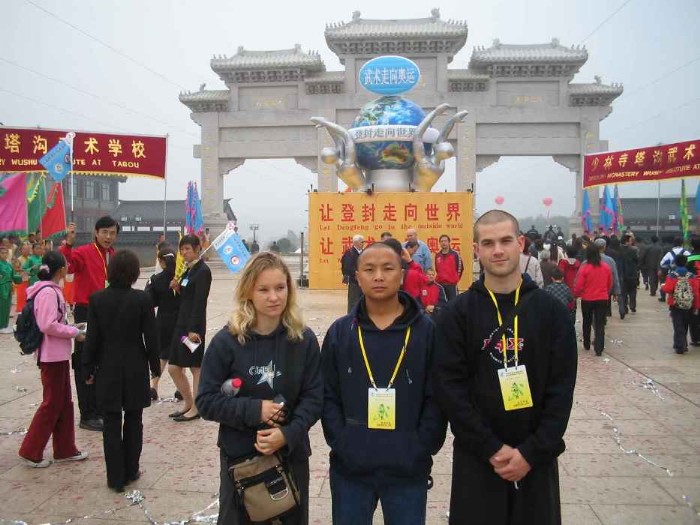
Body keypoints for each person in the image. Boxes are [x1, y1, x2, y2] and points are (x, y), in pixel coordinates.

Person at [433, 209, 577, 525]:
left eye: (505, 241)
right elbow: (450, 389)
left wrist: (531, 452)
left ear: (520, 243)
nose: (498, 250)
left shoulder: (551, 312)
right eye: (488, 243)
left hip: (535, 460)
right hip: (478, 459)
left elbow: (561, 389)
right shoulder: (457, 314)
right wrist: (491, 447)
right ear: (476, 250)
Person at [322, 241, 446, 525]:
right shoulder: (341, 332)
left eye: (387, 268)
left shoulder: (425, 331)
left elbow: (437, 396)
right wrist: (342, 442)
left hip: (407, 468)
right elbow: (327, 394)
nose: (378, 276)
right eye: (369, 269)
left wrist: (421, 445)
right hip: (351, 468)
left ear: (401, 275)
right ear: (357, 277)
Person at [197, 252, 323, 525]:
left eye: (280, 288)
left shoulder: (303, 340)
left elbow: (314, 397)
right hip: (240, 459)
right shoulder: (226, 341)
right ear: (248, 292)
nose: (274, 297)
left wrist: (288, 434)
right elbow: (205, 401)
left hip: (290, 456)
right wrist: (254, 410)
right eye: (263, 289)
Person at [82, 250, 159, 492]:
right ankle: (131, 468)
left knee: (111, 422)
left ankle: (115, 477)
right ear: (135, 273)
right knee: (135, 419)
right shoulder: (142, 299)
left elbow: (92, 338)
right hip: (135, 365)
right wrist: (155, 367)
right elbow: (151, 337)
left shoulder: (97, 299)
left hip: (107, 366)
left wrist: (87, 367)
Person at [18, 251, 89, 468]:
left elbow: (53, 322)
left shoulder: (48, 290)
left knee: (64, 403)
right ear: (61, 270)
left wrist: (72, 327)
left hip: (57, 354)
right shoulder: (49, 292)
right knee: (52, 403)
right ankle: (30, 450)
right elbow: (47, 324)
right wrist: (74, 333)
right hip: (51, 356)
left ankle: (65, 449)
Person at [60, 216, 121, 432]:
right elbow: (67, 266)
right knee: (85, 361)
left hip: (107, 313)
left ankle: (100, 408)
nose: (108, 237)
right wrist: (68, 243)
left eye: (112, 233)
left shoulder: (113, 255)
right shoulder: (83, 252)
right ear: (96, 232)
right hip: (86, 311)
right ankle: (87, 413)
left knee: (103, 362)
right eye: (104, 232)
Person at [168, 234, 212, 422]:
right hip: (181, 326)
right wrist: (178, 288)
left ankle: (196, 408)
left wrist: (194, 329)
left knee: (195, 367)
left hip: (193, 328)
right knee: (173, 367)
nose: (184, 252)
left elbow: (199, 302)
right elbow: (186, 297)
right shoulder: (188, 270)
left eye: (187, 249)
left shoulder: (203, 271)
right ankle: (188, 402)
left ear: (197, 249)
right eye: (182, 249)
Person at [145, 248, 180, 400]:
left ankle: (154, 386)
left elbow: (149, 301)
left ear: (160, 261)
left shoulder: (155, 279)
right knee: (179, 353)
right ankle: (180, 388)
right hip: (180, 320)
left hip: (162, 321)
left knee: (161, 354)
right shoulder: (182, 277)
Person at [574, 244, 613, 356]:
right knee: (600, 323)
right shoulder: (606, 267)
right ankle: (599, 347)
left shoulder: (584, 268)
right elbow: (610, 283)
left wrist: (576, 295)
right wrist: (605, 292)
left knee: (587, 321)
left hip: (587, 298)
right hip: (602, 298)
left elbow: (579, 285)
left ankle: (586, 342)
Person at [661, 254, 700, 354]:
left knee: (678, 324)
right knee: (685, 324)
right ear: (686, 262)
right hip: (689, 304)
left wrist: (663, 287)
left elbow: (668, 289)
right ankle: (683, 343)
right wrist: (696, 306)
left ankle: (680, 345)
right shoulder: (691, 276)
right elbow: (695, 292)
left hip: (676, 304)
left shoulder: (672, 275)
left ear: (675, 263)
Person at [659, 237, 689, 303]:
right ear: (682, 243)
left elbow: (662, 264)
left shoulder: (669, 253)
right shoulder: (686, 252)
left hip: (673, 274)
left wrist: (670, 266)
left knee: (672, 290)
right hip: (685, 275)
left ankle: (674, 302)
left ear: (674, 243)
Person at [434, 234, 463, 301]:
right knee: (441, 303)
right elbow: (437, 269)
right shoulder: (437, 255)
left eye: (445, 241)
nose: (443, 243)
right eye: (441, 241)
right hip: (440, 284)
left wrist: (455, 279)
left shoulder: (455, 254)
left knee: (453, 303)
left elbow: (460, 268)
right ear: (439, 243)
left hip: (451, 285)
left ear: (449, 242)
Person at [0, 245, 21, 334]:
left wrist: (21, 276)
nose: (4, 255)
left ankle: (5, 325)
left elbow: (13, 276)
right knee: (2, 306)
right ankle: (1, 326)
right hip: (1, 287)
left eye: (6, 253)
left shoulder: (8, 265)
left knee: (7, 306)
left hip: (8, 287)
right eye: (2, 253)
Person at [340, 234, 364, 313]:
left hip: (364, 282)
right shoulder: (349, 253)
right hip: (354, 282)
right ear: (356, 243)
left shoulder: (364, 252)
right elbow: (347, 267)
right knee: (353, 302)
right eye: (362, 242)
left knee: (363, 301)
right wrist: (357, 273)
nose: (363, 244)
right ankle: (351, 318)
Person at [619, 234, 640, 315]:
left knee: (623, 292)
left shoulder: (619, 250)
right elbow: (637, 261)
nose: (631, 242)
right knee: (632, 291)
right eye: (630, 241)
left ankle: (625, 307)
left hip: (623, 275)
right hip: (632, 274)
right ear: (626, 242)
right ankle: (632, 306)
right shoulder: (633, 250)